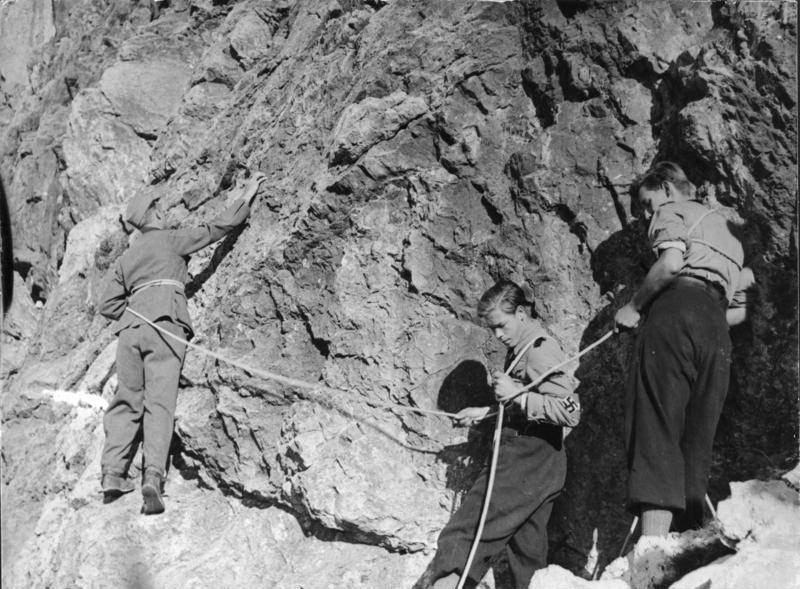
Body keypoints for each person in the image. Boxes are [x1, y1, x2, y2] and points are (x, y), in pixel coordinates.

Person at [98, 172, 266, 514]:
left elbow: (106, 305)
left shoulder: (126, 259)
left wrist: (137, 307)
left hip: (131, 331)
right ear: (155, 215)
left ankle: (113, 474)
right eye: (160, 208)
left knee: (127, 400)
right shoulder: (171, 239)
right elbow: (214, 230)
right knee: (159, 402)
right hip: (165, 325)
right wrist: (246, 196)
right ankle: (153, 478)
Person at [614, 161, 754, 536]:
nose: (647, 214)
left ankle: (653, 544)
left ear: (667, 188)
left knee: (656, 422)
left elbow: (672, 263)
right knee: (697, 434)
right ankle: (689, 538)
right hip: (716, 328)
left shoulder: (671, 212)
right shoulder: (731, 236)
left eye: (647, 203)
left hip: (675, 308)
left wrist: (633, 307)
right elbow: (738, 313)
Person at [429, 280, 580, 589]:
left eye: (501, 325)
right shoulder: (521, 349)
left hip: (524, 462)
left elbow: (570, 411)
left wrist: (517, 396)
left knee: (463, 535)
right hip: (543, 465)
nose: (497, 335)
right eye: (492, 329)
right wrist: (485, 414)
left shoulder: (539, 349)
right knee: (525, 558)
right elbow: (526, 405)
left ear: (522, 313)